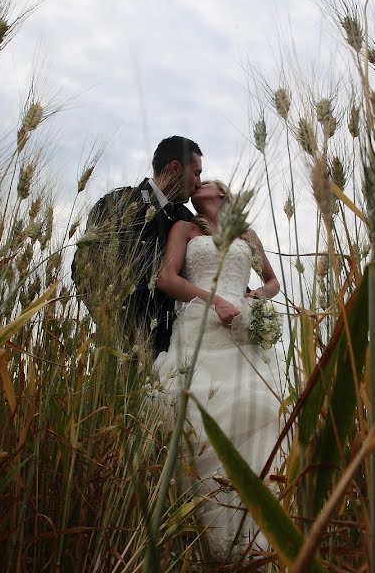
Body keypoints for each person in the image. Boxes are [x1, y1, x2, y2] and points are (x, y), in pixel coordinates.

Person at [153, 180, 285, 564]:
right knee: (198, 419)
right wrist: (216, 301)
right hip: (199, 330)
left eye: (205, 181)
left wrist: (253, 299)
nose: (198, 183)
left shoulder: (247, 234)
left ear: (222, 193)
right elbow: (167, 278)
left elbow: (272, 281)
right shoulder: (186, 229)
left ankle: (253, 542)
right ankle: (200, 543)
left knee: (256, 415)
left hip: (241, 336)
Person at [71, 136, 202, 355]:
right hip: (121, 347)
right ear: (175, 168)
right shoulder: (118, 203)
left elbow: (207, 265)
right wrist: (111, 323)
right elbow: (83, 268)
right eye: (196, 173)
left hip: (177, 348)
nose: (198, 183)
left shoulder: (187, 219)